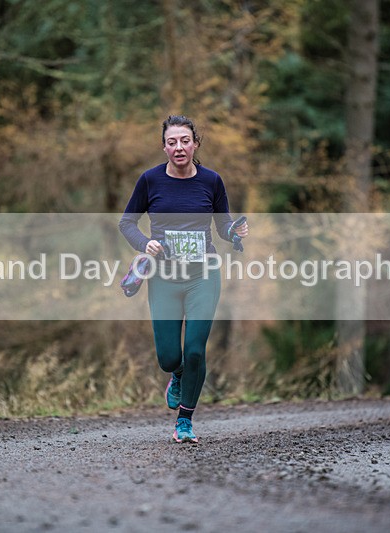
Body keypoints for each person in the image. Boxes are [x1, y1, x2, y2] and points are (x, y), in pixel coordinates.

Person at [119, 115, 248, 443]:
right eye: (172, 142)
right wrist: (143, 242)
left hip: (202, 276)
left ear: (195, 144)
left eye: (185, 141)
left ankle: (185, 421)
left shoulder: (212, 181)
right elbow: (127, 223)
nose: (179, 147)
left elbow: (223, 227)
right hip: (163, 277)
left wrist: (234, 232)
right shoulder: (149, 181)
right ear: (164, 147)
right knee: (169, 358)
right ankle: (176, 376)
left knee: (194, 351)